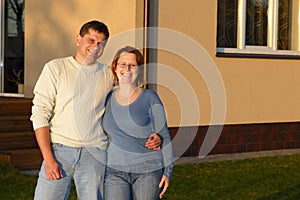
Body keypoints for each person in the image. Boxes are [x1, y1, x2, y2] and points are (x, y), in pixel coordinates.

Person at [30, 21, 161, 200]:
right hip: (60, 151)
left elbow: (129, 101)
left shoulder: (108, 74)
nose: (95, 47)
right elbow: (39, 114)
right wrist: (48, 158)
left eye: (100, 43)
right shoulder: (56, 68)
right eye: (90, 40)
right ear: (78, 39)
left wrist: (154, 131)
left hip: (94, 154)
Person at [103, 46, 174, 200]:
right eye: (122, 64)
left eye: (133, 65)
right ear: (115, 67)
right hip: (114, 171)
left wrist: (168, 172)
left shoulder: (150, 97)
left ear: (139, 70)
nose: (127, 68)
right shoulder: (106, 98)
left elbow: (164, 135)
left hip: (147, 171)